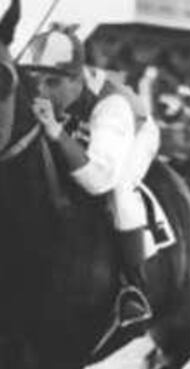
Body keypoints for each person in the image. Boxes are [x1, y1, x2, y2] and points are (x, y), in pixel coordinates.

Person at [20, 24, 161, 329]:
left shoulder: (113, 107)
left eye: (52, 83)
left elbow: (98, 180)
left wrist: (57, 132)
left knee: (120, 192)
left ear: (76, 79)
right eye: (36, 82)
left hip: (135, 134)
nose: (41, 92)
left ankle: (132, 287)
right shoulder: (57, 92)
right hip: (82, 129)